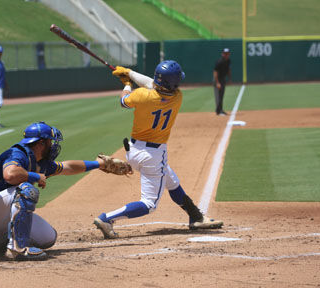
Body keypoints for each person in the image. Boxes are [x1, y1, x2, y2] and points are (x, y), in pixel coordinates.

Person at [93, 61, 224, 239]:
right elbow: (153, 85)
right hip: (153, 156)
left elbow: (124, 101)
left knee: (172, 181)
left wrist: (127, 83)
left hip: (133, 150)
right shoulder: (177, 97)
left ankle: (196, 217)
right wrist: (130, 74)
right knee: (149, 204)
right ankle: (107, 218)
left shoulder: (141, 96)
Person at [0, 121, 131, 261]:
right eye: (50, 141)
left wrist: (99, 164)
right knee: (26, 190)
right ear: (41, 143)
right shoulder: (18, 153)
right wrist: (36, 176)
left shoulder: (40, 162)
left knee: (48, 238)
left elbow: (67, 167)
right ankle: (18, 248)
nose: (53, 145)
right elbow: (10, 174)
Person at [213, 48, 232, 116]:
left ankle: (220, 110)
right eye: (225, 53)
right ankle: (218, 111)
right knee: (218, 96)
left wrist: (229, 78)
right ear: (223, 54)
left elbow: (229, 69)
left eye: (227, 53)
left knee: (221, 95)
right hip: (217, 79)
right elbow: (215, 72)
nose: (226, 55)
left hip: (223, 79)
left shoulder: (228, 61)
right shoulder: (219, 61)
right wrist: (217, 82)